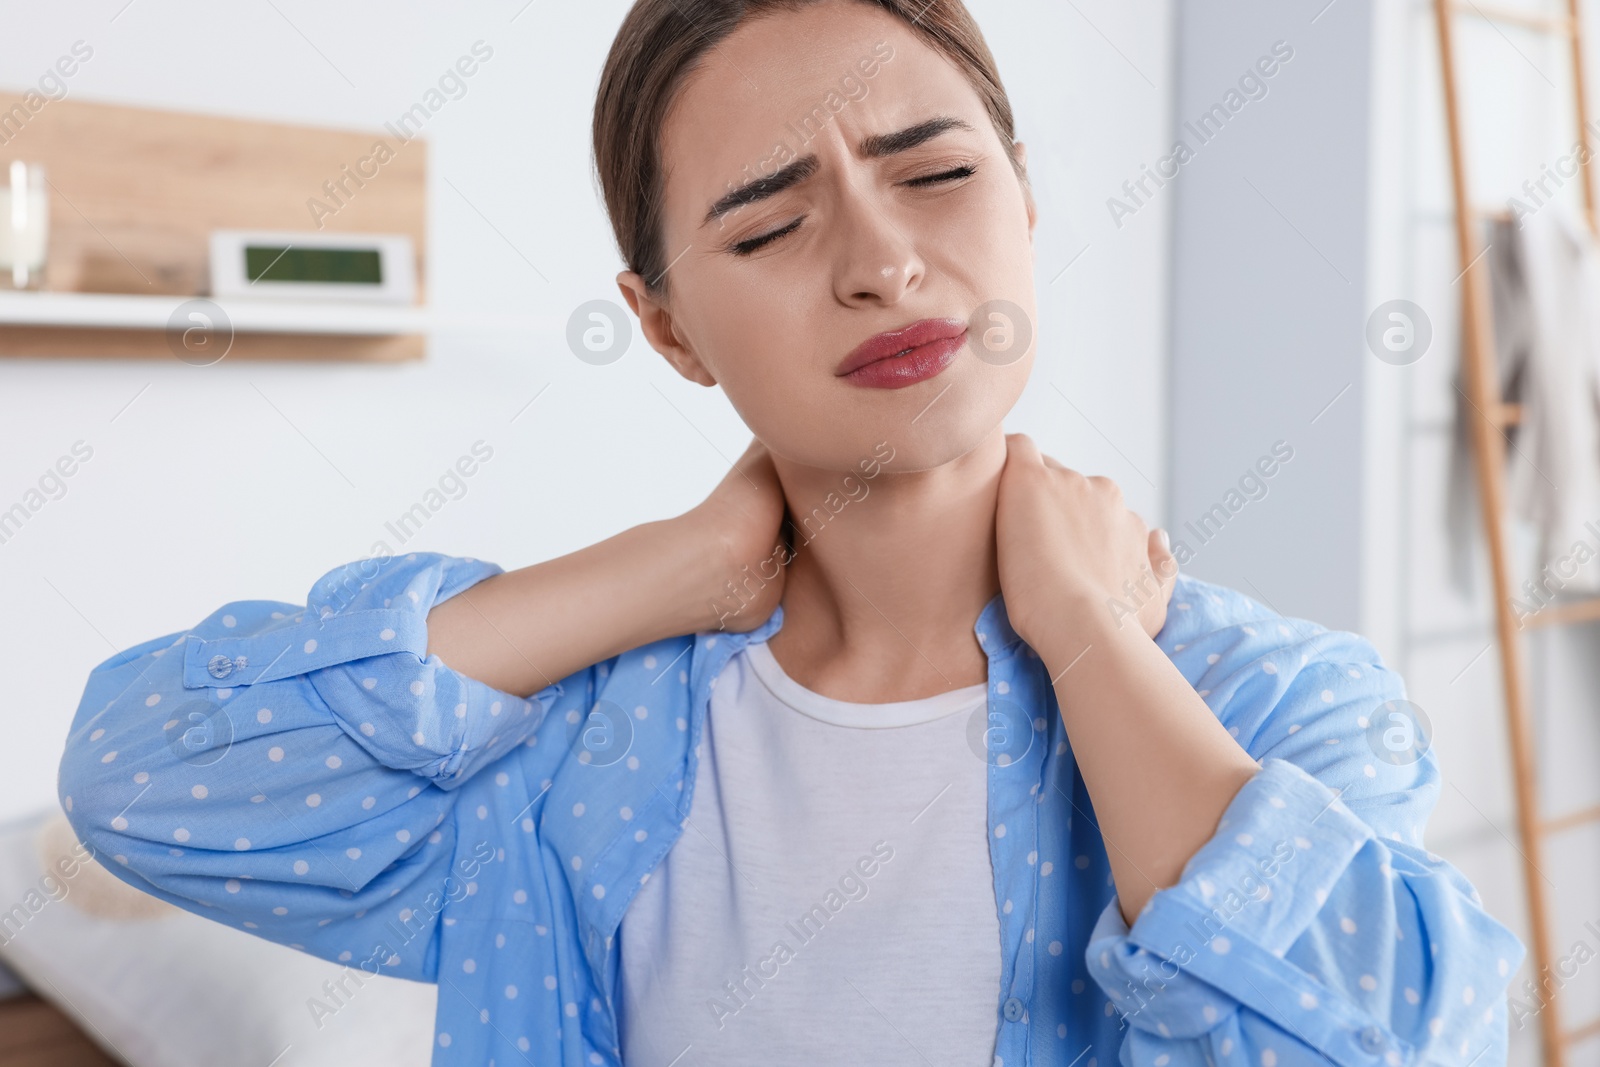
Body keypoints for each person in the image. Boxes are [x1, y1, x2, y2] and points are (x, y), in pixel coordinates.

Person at [58, 0, 1524, 1064]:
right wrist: (671, 570)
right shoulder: (569, 743)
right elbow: (137, 778)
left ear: (1026, 199)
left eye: (939, 174)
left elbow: (1405, 1036)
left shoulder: (1272, 707)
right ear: (668, 327)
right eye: (767, 229)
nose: (884, 261)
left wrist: (1086, 639)